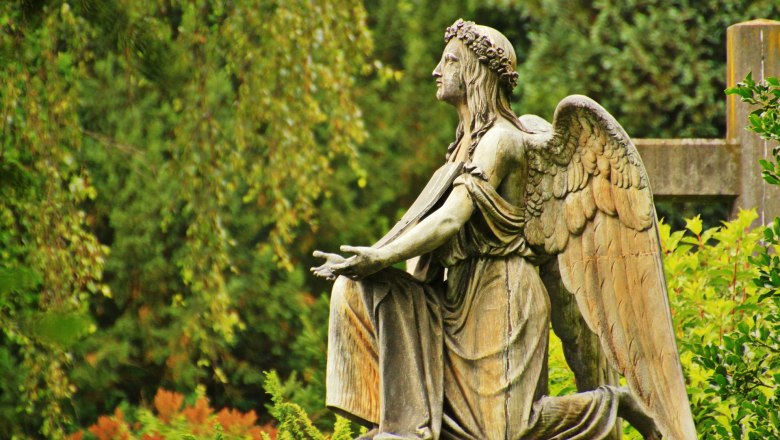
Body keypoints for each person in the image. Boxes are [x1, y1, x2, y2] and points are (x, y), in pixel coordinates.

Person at [312, 19, 661, 440]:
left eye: (450, 61)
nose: (436, 71)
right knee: (356, 291)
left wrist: (380, 256)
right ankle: (399, 425)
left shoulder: (502, 140)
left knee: (506, 431)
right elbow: (428, 235)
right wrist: (369, 268)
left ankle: (614, 402)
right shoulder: (461, 148)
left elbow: (450, 219)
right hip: (457, 296)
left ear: (476, 71)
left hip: (504, 292)